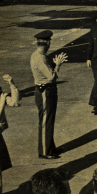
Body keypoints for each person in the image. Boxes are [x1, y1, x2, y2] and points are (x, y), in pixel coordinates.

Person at [30, 30, 67, 159]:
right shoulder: (40, 58)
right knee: (46, 122)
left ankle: (50, 147)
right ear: (46, 42)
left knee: (49, 120)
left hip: (45, 90)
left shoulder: (39, 55)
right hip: (45, 91)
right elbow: (51, 77)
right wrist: (58, 65)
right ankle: (45, 152)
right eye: (49, 42)